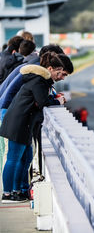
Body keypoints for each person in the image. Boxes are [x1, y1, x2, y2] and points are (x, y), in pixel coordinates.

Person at [0, 52, 66, 203]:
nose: (61, 77)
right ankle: (7, 194)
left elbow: (42, 99)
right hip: (19, 123)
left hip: (24, 122)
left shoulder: (40, 80)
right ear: (50, 68)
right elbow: (43, 102)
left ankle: (17, 191)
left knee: (26, 157)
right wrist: (59, 102)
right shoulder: (38, 80)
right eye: (60, 73)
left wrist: (54, 98)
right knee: (13, 159)